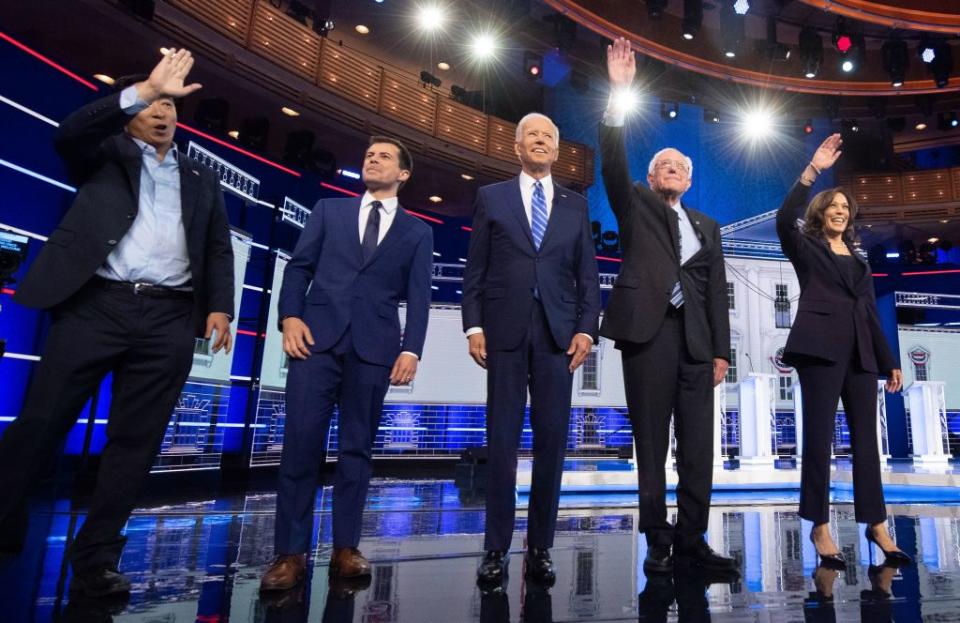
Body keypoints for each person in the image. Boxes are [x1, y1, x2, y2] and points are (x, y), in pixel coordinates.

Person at [0, 49, 235, 596]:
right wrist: (145, 86)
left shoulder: (201, 178)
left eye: (170, 106)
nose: (163, 114)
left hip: (169, 316)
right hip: (95, 305)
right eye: (153, 104)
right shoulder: (100, 155)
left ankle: (98, 557)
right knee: (40, 423)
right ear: (130, 111)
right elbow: (69, 132)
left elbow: (217, 249)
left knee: (136, 441)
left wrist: (219, 306)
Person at [260, 137, 433, 591]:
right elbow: (299, 269)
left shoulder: (417, 231)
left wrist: (411, 348)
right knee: (300, 444)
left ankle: (345, 547)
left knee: (357, 450)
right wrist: (290, 316)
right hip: (315, 341)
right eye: (369, 153)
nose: (372, 158)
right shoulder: (327, 211)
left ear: (403, 174)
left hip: (375, 348)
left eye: (384, 156)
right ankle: (290, 553)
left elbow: (419, 295)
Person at [600, 38, 735, 575]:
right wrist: (618, 96)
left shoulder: (708, 226)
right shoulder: (635, 203)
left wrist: (722, 351)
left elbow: (717, 291)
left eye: (681, 164)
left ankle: (693, 538)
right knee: (651, 442)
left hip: (698, 344)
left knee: (698, 446)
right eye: (665, 164)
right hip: (648, 334)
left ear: (690, 179)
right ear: (653, 179)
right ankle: (657, 538)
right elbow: (611, 162)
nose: (673, 167)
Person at [462, 112, 601, 587]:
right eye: (532, 135)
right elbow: (474, 267)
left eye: (548, 137)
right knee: (501, 441)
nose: (540, 141)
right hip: (502, 330)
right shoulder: (492, 197)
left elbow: (587, 275)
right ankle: (496, 547)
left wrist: (587, 330)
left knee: (551, 445)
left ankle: (540, 546)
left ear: (557, 151)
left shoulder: (575, 204)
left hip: (558, 338)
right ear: (517, 147)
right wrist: (472, 325)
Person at [776, 133, 910, 568]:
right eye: (833, 207)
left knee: (867, 443)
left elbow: (869, 311)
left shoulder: (859, 258)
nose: (840, 211)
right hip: (820, 351)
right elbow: (784, 217)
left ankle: (875, 524)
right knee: (819, 441)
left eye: (845, 209)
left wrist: (888, 360)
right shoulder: (805, 246)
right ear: (821, 213)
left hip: (861, 356)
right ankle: (818, 524)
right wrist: (813, 170)